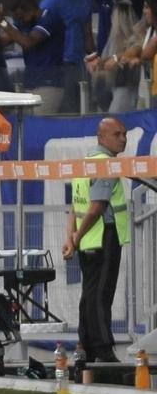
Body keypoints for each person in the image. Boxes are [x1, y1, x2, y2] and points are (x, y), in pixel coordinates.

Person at [63, 117, 129, 365]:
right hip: (103, 236)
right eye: (117, 134)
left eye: (124, 134)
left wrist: (72, 238)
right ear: (101, 138)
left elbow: (74, 206)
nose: (123, 139)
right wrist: (75, 238)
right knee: (101, 295)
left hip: (88, 239)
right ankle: (102, 350)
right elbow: (96, 207)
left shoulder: (85, 163)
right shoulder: (105, 165)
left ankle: (86, 345)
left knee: (90, 294)